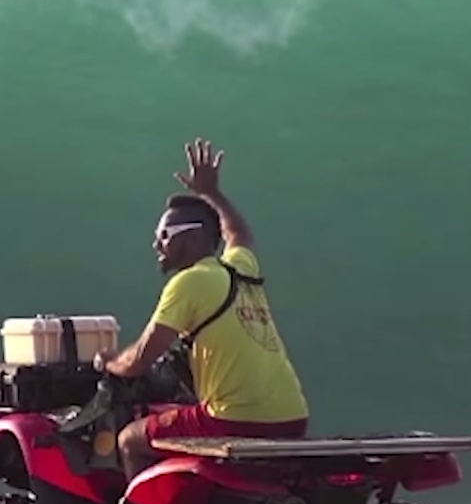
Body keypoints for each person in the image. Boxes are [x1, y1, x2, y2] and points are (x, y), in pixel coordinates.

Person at [94, 138, 311, 482]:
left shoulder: (189, 282)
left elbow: (140, 362)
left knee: (130, 439)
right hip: (293, 417)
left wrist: (108, 362)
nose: (156, 243)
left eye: (165, 234)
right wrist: (212, 193)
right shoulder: (241, 268)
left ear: (194, 238)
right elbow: (239, 233)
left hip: (234, 419)